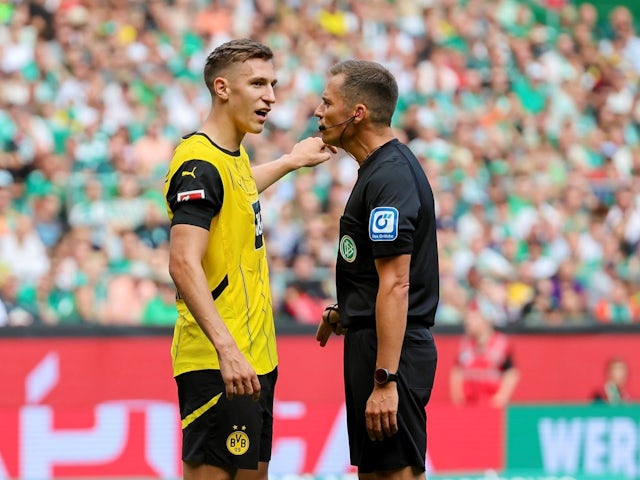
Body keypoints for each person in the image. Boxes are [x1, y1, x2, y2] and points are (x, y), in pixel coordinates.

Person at [163, 39, 335, 480]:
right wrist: (226, 349)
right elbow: (183, 263)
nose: (271, 96)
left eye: (273, 84)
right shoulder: (197, 163)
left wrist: (291, 160)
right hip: (218, 362)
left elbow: (237, 189)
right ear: (222, 88)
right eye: (257, 83)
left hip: (256, 359)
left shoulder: (231, 156)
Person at [314, 60, 439, 480]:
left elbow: (397, 282)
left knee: (394, 474)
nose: (318, 111)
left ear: (358, 112)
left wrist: (386, 379)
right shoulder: (378, 171)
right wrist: (347, 310)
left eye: (327, 102)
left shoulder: (390, 176)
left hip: (392, 355)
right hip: (376, 342)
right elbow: (378, 275)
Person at [449, 304, 519, 408]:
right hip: (468, 405)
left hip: (491, 405)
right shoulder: (465, 344)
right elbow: (457, 371)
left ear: (485, 321)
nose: (468, 323)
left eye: (473, 318)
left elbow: (511, 373)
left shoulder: (501, 344)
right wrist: (458, 397)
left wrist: (501, 397)